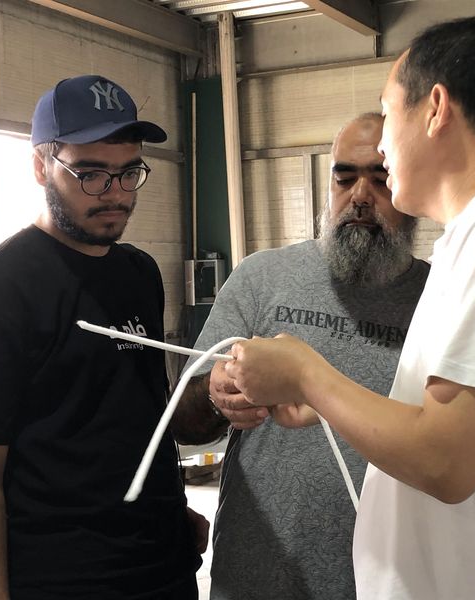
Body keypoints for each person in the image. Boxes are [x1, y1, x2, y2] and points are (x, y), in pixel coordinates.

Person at [221, 17, 475, 600]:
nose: (382, 144)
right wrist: (329, 404)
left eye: (388, 114)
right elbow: (448, 423)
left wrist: (308, 374)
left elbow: (446, 460)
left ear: (435, 109)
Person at [170, 113, 430, 600]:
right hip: (256, 579)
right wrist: (214, 393)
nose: (360, 196)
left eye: (380, 179)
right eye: (344, 177)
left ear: (412, 187)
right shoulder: (261, 279)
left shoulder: (440, 298)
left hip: (388, 580)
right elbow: (183, 421)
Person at [0, 75, 207, 599]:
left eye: (129, 173)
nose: (116, 194)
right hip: (64, 577)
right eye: (91, 174)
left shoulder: (140, 273)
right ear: (41, 166)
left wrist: (171, 505)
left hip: (162, 564)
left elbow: (136, 414)